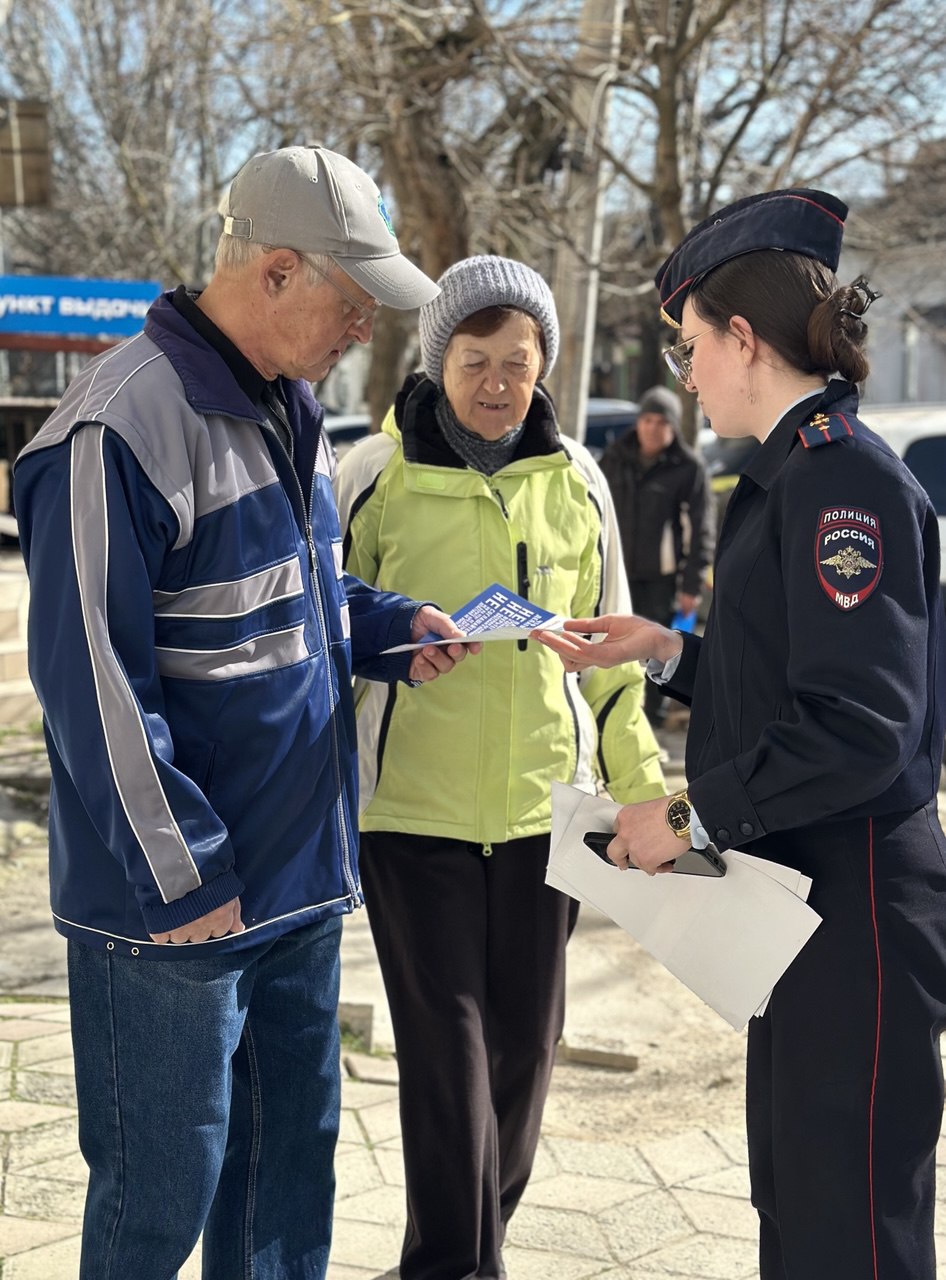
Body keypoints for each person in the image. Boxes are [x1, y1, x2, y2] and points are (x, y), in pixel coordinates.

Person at [13, 144, 478, 1280]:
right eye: (352, 299)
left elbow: (294, 592)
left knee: (283, 1197)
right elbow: (92, 686)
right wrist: (185, 878)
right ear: (275, 273)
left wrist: (383, 624)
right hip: (177, 914)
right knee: (155, 1208)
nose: (366, 327)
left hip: (297, 889)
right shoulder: (112, 427)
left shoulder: (291, 406)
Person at [533, 189, 946, 1280]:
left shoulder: (841, 481)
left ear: (742, 338)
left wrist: (676, 816)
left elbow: (857, 727)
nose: (688, 372)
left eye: (688, 346)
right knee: (800, 1196)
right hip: (802, 902)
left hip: (852, 910)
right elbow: (792, 689)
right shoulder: (789, 474)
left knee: (848, 1219)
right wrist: (665, 652)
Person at [333, 254, 666, 1280]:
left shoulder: (579, 483)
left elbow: (612, 667)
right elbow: (324, 625)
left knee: (525, 1054)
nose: (495, 381)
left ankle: (463, 1244)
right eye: (474, 359)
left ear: (543, 366)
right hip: (412, 816)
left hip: (539, 817)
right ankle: (457, 1266)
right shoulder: (372, 477)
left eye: (516, 362)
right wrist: (390, 645)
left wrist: (643, 786)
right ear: (437, 362)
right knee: (450, 1061)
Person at [598, 383, 714, 727]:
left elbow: (700, 532)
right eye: (646, 419)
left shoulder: (688, 468)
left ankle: (647, 726)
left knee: (654, 654)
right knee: (613, 651)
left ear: (673, 427)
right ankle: (615, 722)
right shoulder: (614, 459)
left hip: (662, 582)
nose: (652, 428)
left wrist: (691, 587)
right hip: (617, 574)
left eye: (661, 422)